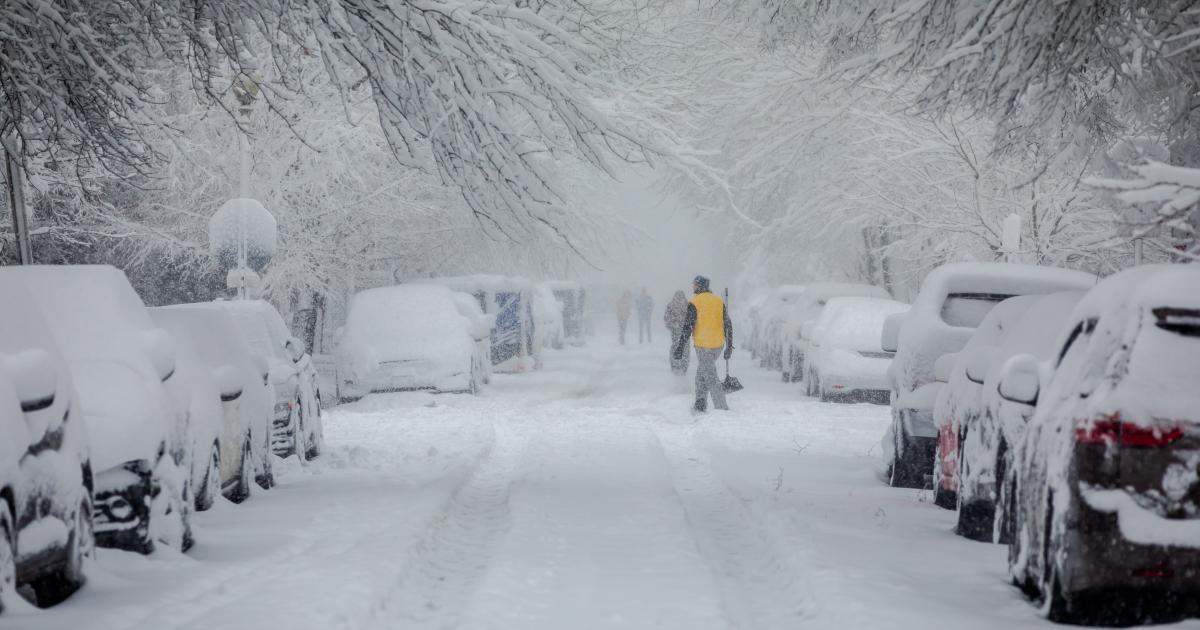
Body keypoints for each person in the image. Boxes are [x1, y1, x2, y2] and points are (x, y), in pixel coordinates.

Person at [672, 275, 733, 412]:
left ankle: (722, 409)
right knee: (702, 374)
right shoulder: (719, 301)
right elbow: (728, 325)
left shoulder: (695, 303)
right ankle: (700, 404)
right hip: (718, 345)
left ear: (699, 286)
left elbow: (688, 327)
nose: (693, 286)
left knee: (711, 378)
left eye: (694, 284)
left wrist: (680, 347)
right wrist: (729, 346)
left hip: (704, 346)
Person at [664, 290, 689, 373]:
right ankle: (683, 366)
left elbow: (666, 317)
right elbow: (691, 317)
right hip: (684, 329)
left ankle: (675, 365)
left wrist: (671, 324)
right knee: (685, 347)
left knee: (675, 346)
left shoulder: (671, 305)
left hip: (676, 329)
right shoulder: (687, 304)